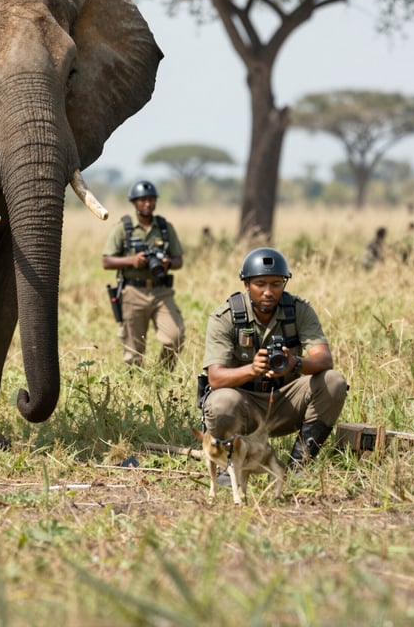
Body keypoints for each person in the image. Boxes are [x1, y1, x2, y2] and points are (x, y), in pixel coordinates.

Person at [200, 247, 347, 468]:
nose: (268, 292)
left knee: (334, 381)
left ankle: (298, 465)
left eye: (276, 284)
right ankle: (227, 466)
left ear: (284, 284)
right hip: (242, 405)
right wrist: (252, 369)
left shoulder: (299, 311)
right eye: (260, 284)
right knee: (222, 402)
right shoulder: (226, 317)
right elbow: (215, 378)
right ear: (247, 284)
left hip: (284, 402)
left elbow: (324, 360)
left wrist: (294, 364)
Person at [102, 180, 185, 369]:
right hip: (133, 292)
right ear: (134, 202)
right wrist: (132, 260)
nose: (148, 204)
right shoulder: (123, 228)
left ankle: (163, 374)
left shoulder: (165, 227)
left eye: (151, 200)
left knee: (175, 336)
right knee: (133, 351)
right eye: (143, 200)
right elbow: (107, 261)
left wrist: (168, 263)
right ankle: (135, 384)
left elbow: (179, 260)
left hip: (161, 291)